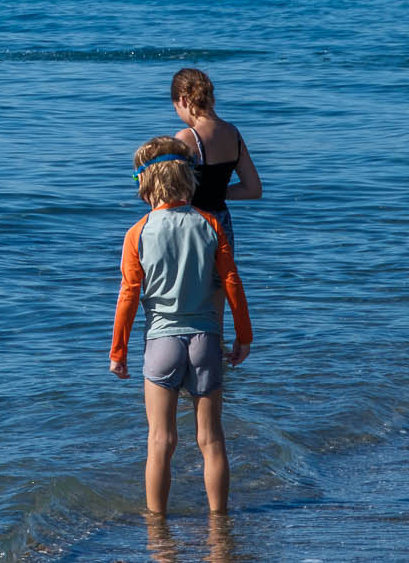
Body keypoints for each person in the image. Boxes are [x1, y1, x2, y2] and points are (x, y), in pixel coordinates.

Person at [110, 135, 253, 515]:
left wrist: (118, 352)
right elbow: (232, 283)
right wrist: (243, 336)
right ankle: (219, 524)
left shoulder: (137, 233)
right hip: (206, 338)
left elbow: (128, 297)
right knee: (211, 439)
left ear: (146, 184)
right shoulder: (209, 224)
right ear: (187, 180)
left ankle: (158, 528)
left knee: (160, 441)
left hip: (161, 342)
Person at [169, 68, 262, 252]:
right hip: (222, 224)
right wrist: (217, 192)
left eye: (176, 108)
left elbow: (175, 194)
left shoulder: (186, 137)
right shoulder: (233, 133)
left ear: (183, 101)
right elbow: (253, 189)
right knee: (221, 278)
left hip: (193, 224)